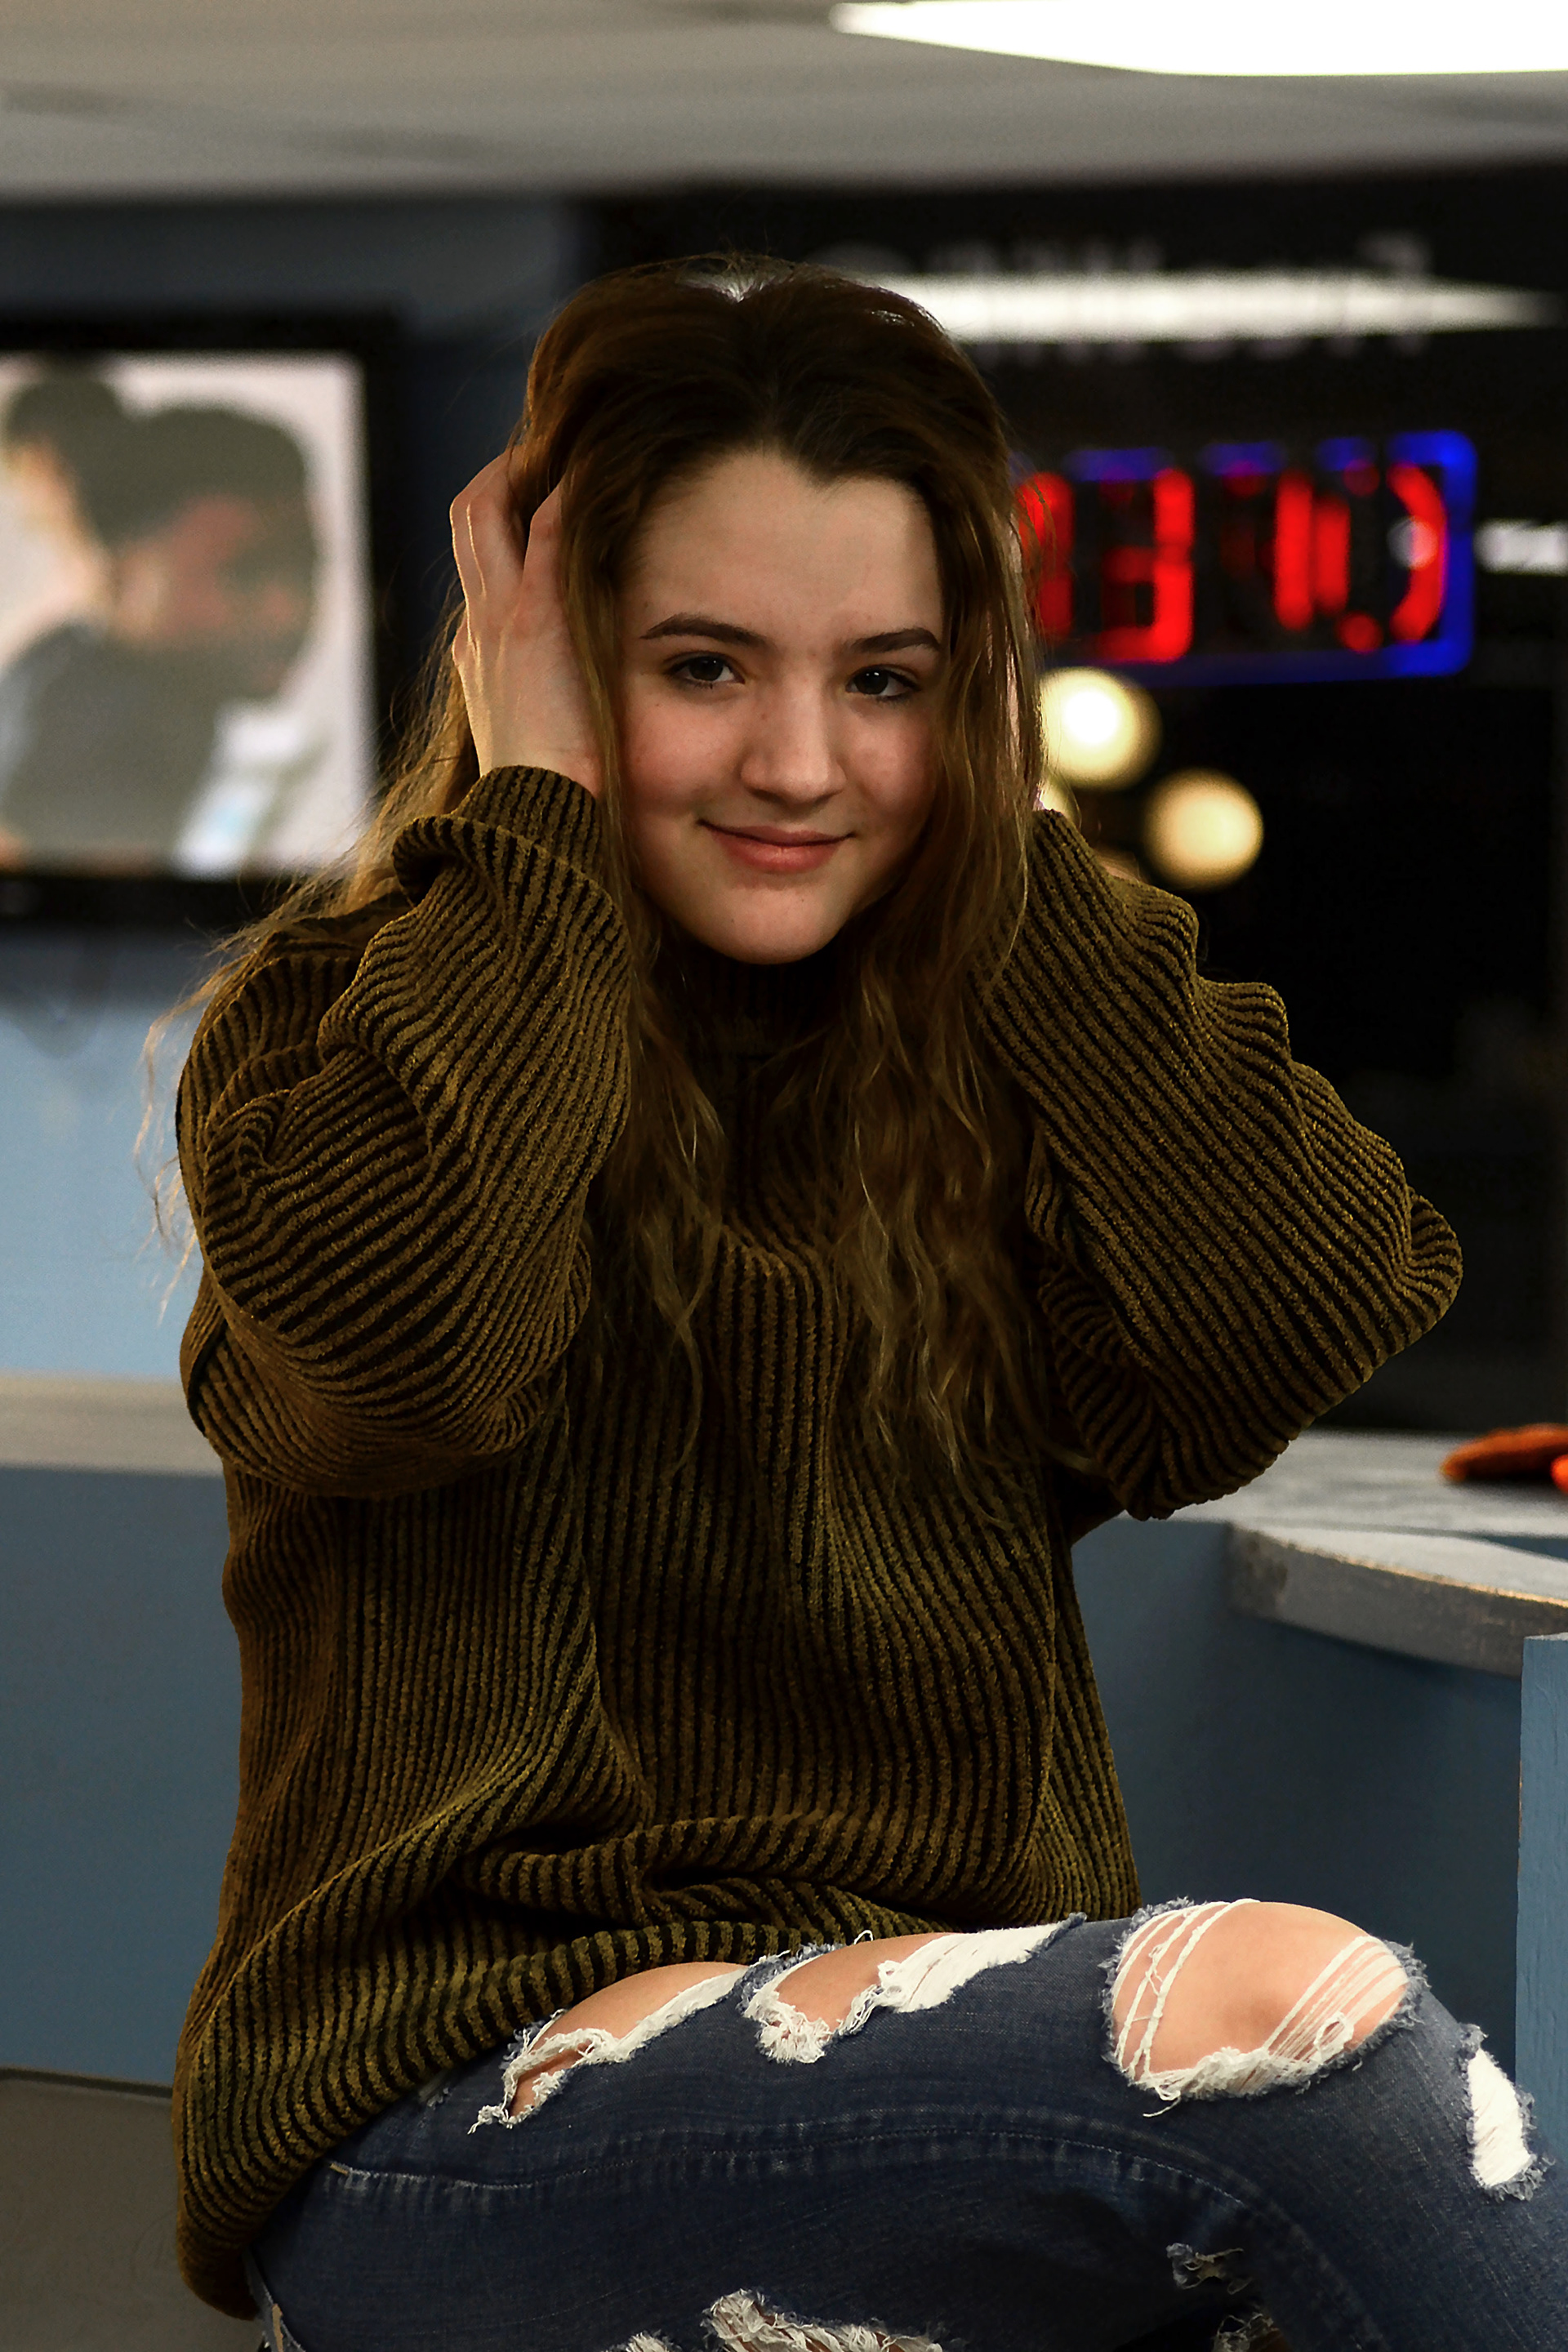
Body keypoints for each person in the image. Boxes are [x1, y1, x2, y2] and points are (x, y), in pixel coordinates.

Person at [167, 259, 1560, 2352]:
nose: (802, 760)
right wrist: (538, 814)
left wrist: (995, 841)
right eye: (701, 665)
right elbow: (411, 1357)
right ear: (546, 659)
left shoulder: (982, 1058)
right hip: (454, 2115)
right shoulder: (332, 1023)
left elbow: (1292, 1309)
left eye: (890, 680)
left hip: (929, 2107)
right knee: (1290, 2026)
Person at [0, 379, 318, 867]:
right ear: (126, 571)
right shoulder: (87, 723)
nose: (288, 611)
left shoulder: (81, 672)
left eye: (306, 566)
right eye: (245, 573)